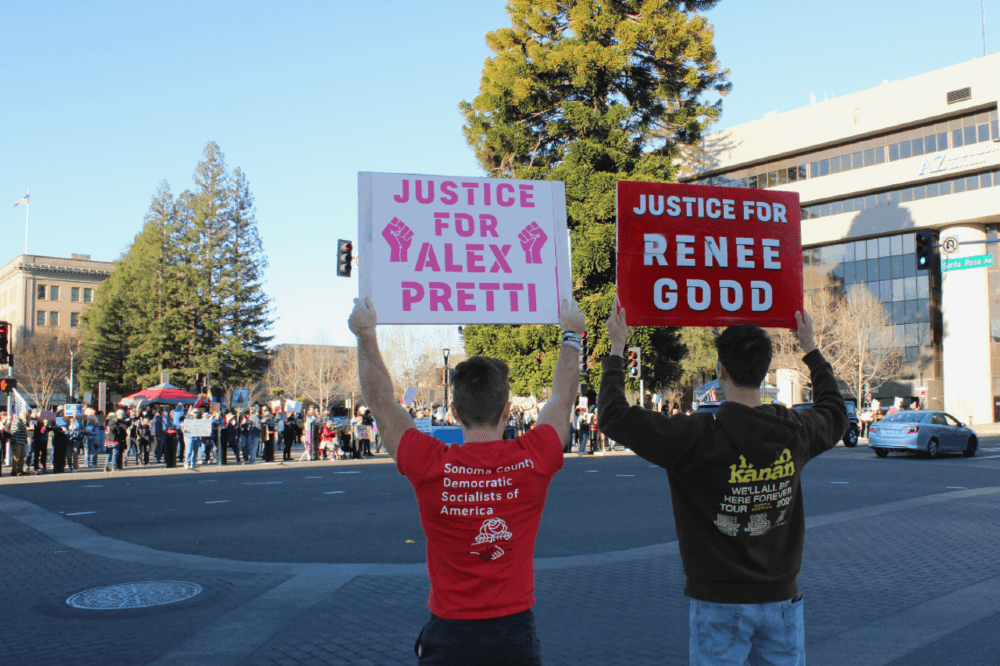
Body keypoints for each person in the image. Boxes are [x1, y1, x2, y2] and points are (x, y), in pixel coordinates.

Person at [597, 299, 847, 666]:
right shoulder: (794, 431)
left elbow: (613, 416)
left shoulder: (695, 436)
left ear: (721, 370)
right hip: (780, 597)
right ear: (764, 370)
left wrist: (617, 347)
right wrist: (809, 347)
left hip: (718, 601)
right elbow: (836, 412)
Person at [349, 296, 583, 666]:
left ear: (454, 412)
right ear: (507, 410)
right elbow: (562, 398)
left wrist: (365, 334)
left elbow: (381, 402)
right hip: (513, 634)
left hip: (450, 635)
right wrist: (572, 333)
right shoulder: (533, 458)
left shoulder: (429, 463)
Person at [9, 410, 29, 476]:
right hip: (17, 441)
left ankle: (20, 469)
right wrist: (26, 427)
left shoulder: (20, 421)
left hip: (22, 441)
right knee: (16, 457)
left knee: (22, 456)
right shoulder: (16, 420)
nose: (25, 418)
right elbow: (16, 428)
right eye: (25, 416)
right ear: (22, 416)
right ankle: (14, 471)